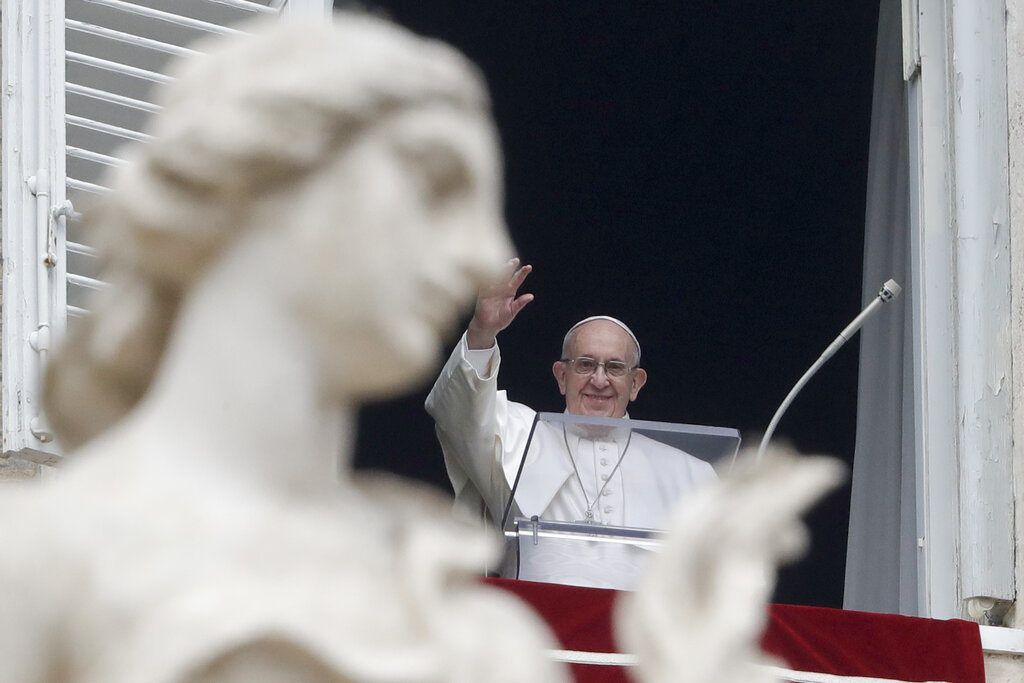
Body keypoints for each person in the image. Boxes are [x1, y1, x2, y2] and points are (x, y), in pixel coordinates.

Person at [426, 259, 717, 588]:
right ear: (562, 377)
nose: (599, 379)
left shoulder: (689, 473)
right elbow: (459, 413)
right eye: (585, 364)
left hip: (638, 639)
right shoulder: (519, 437)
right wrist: (481, 332)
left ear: (636, 383)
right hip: (541, 635)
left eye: (615, 368)